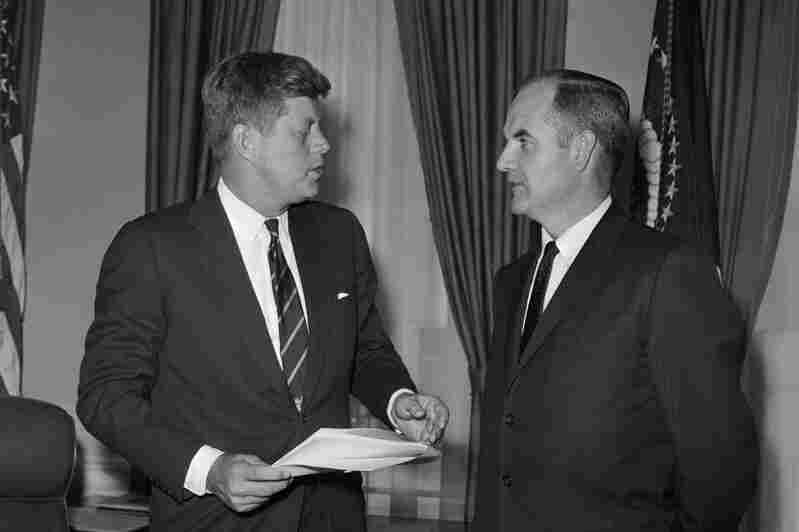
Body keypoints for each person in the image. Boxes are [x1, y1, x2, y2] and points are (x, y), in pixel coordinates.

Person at [77, 51, 449, 532]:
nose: (324, 145)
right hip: (212, 519)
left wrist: (399, 400)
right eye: (304, 131)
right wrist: (208, 469)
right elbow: (106, 397)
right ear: (247, 141)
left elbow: (364, 350)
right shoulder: (151, 247)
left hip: (331, 518)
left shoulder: (340, 236)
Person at [474, 69, 757, 531]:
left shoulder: (667, 273)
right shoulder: (512, 282)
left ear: (582, 149)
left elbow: (722, 470)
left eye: (523, 141)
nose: (504, 160)